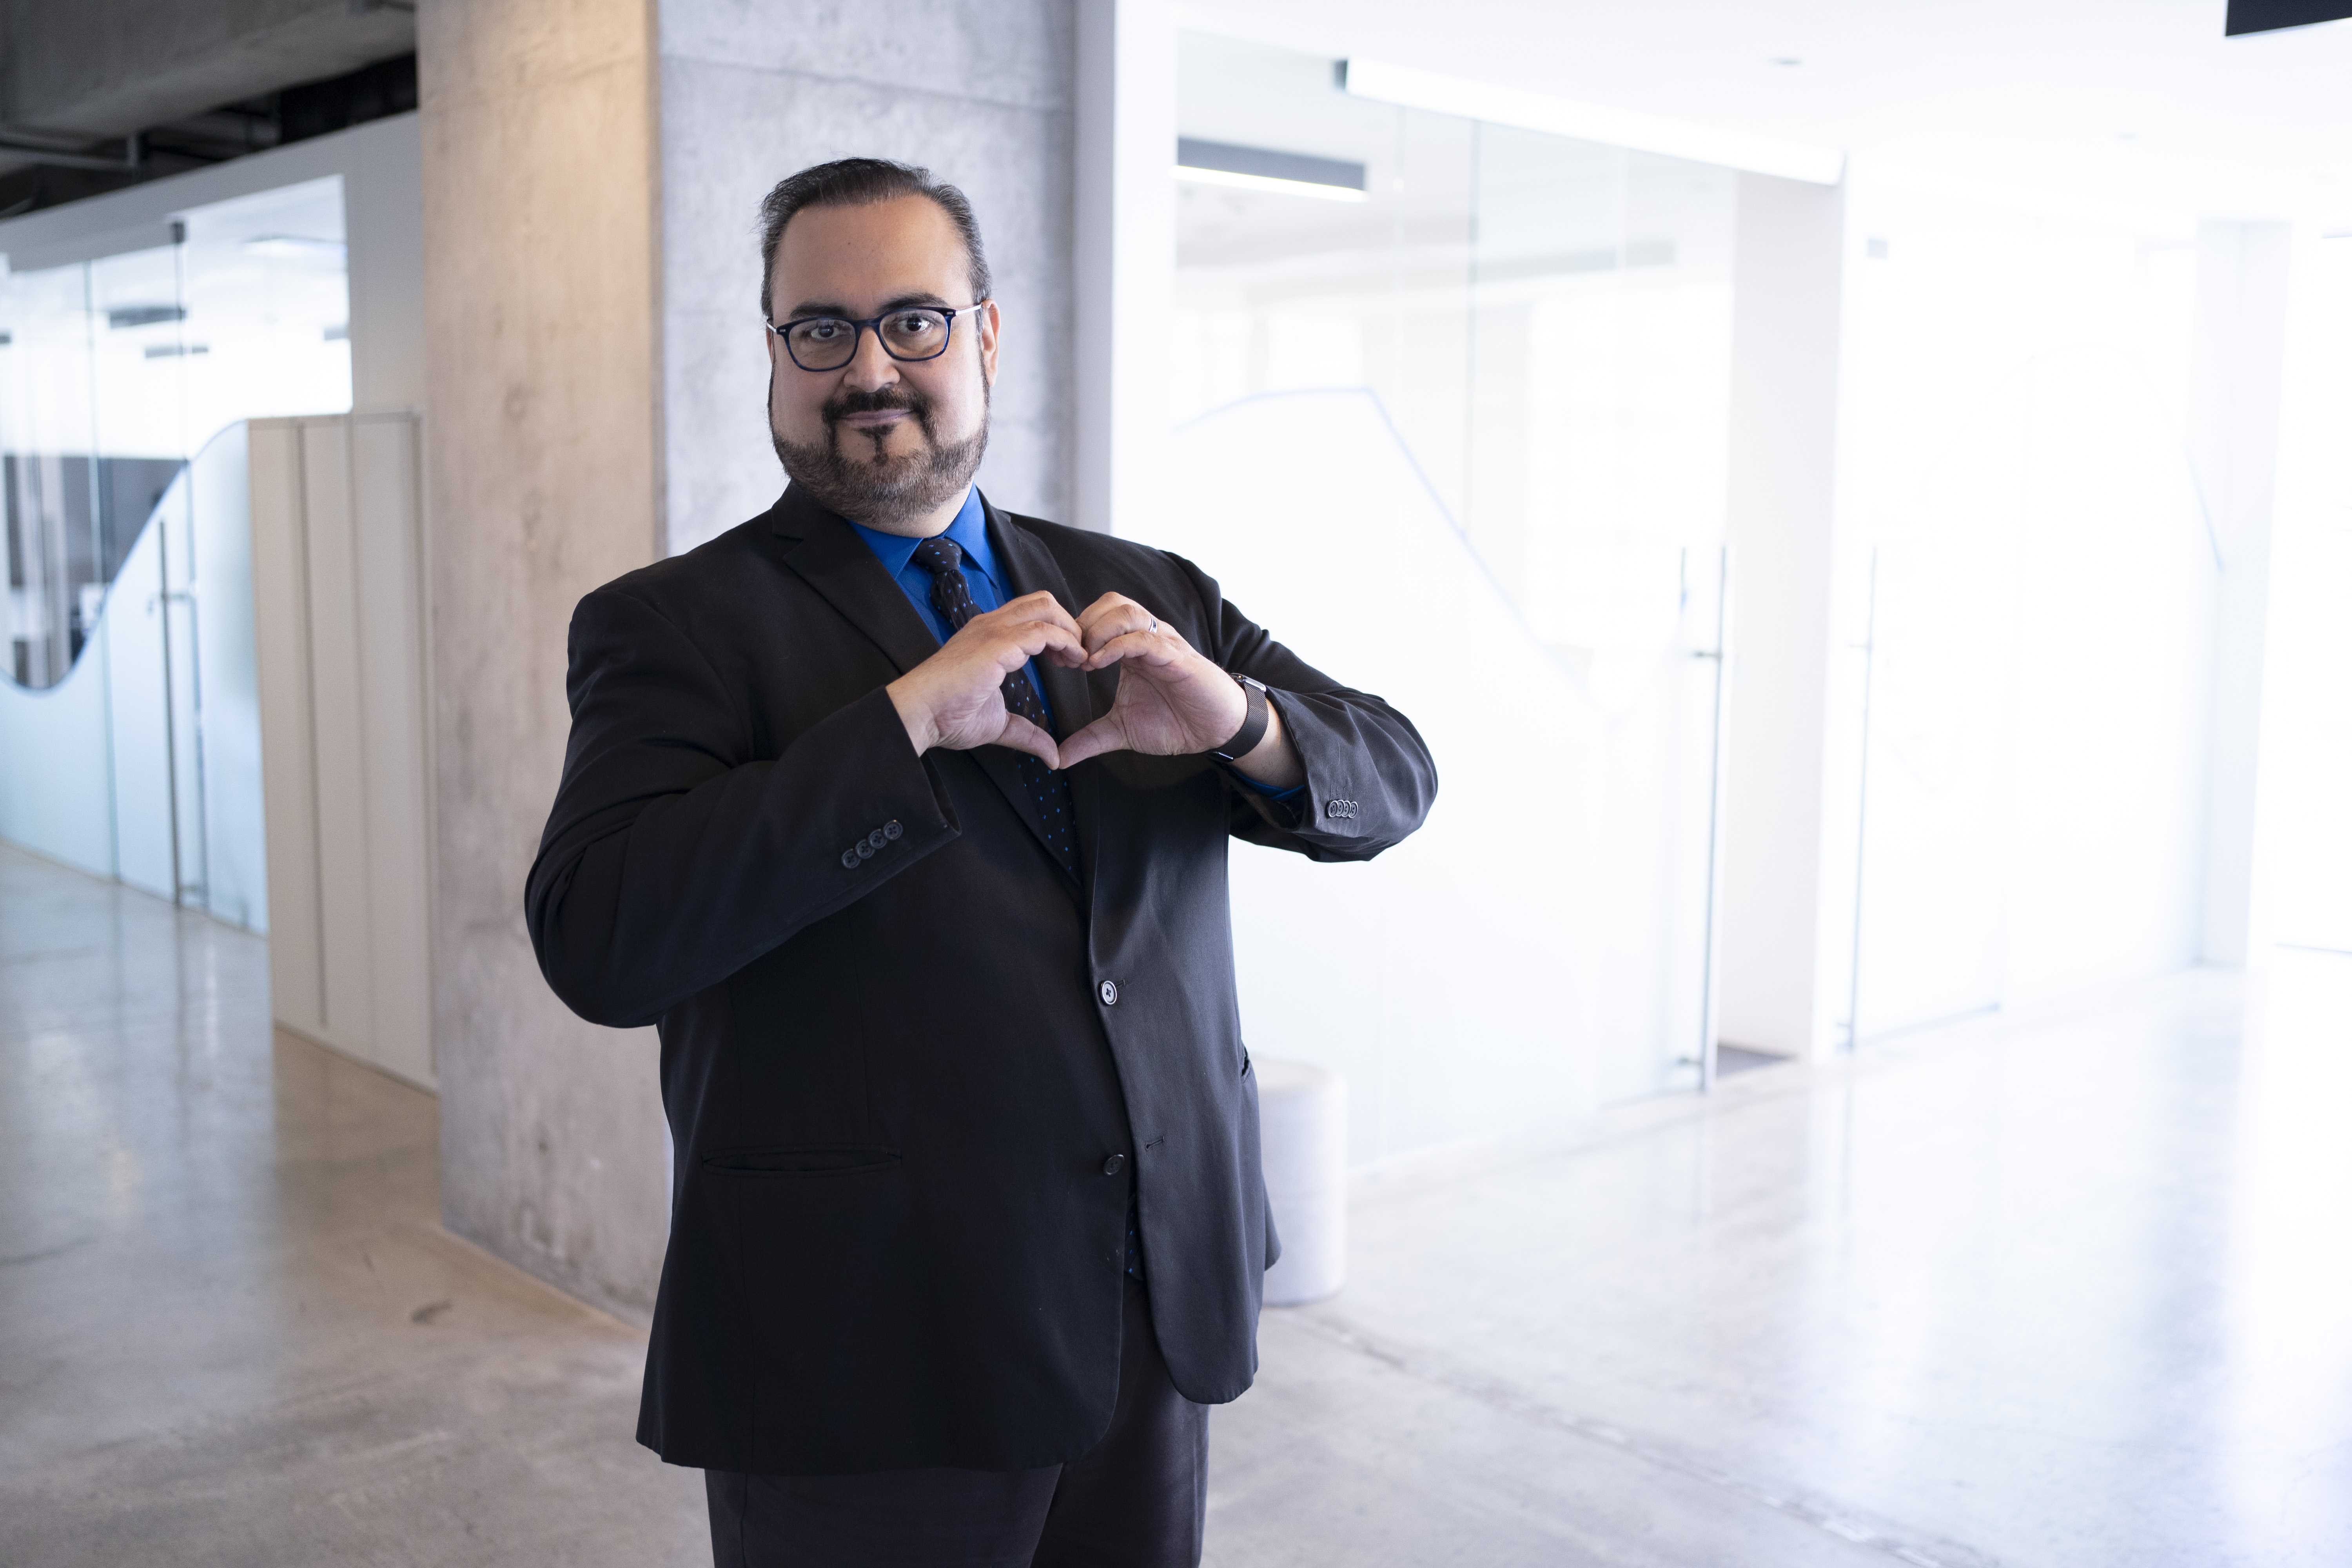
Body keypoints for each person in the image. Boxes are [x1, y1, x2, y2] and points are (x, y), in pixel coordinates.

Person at [525, 156, 1436, 1568]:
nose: (867, 368)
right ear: (772, 351)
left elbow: (1394, 776)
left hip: (1149, 1308)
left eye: (914, 321)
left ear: (987, 336)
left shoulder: (1147, 591)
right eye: (819, 329)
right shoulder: (673, 625)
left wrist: (1242, 724)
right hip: (861, 1347)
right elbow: (601, 939)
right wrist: (895, 728)